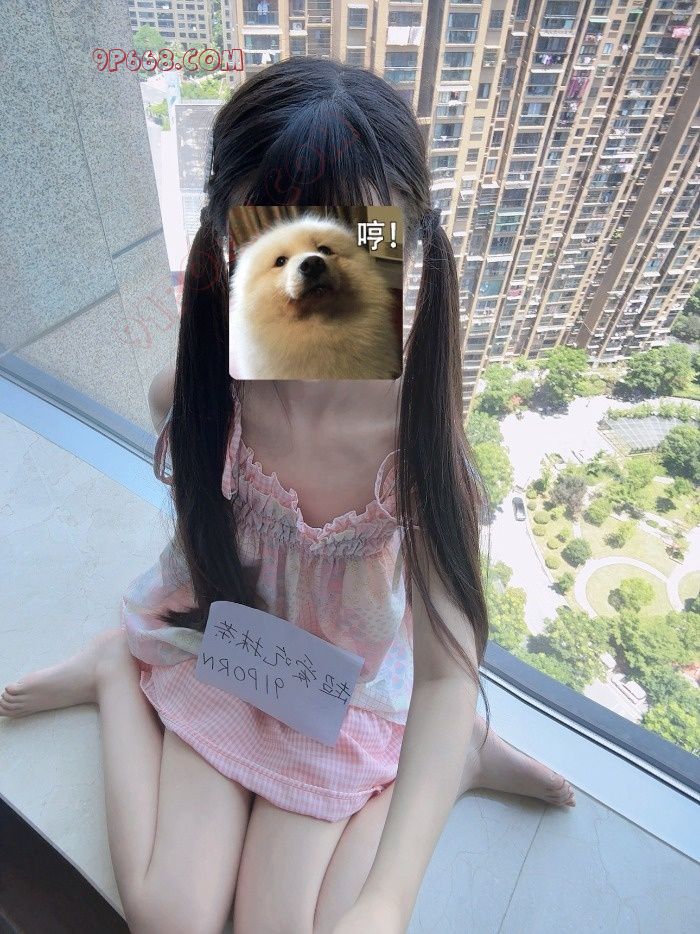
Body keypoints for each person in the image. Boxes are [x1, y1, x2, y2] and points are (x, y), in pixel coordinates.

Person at [1, 57, 575, 934]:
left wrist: (386, 900)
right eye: (279, 243)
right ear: (231, 241)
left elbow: (446, 671)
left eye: (358, 246)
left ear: (404, 245)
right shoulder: (209, 396)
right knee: (170, 918)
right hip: (231, 644)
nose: (314, 282)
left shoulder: (418, 447)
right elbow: (180, 439)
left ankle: (456, 758)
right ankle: (116, 669)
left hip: (339, 688)